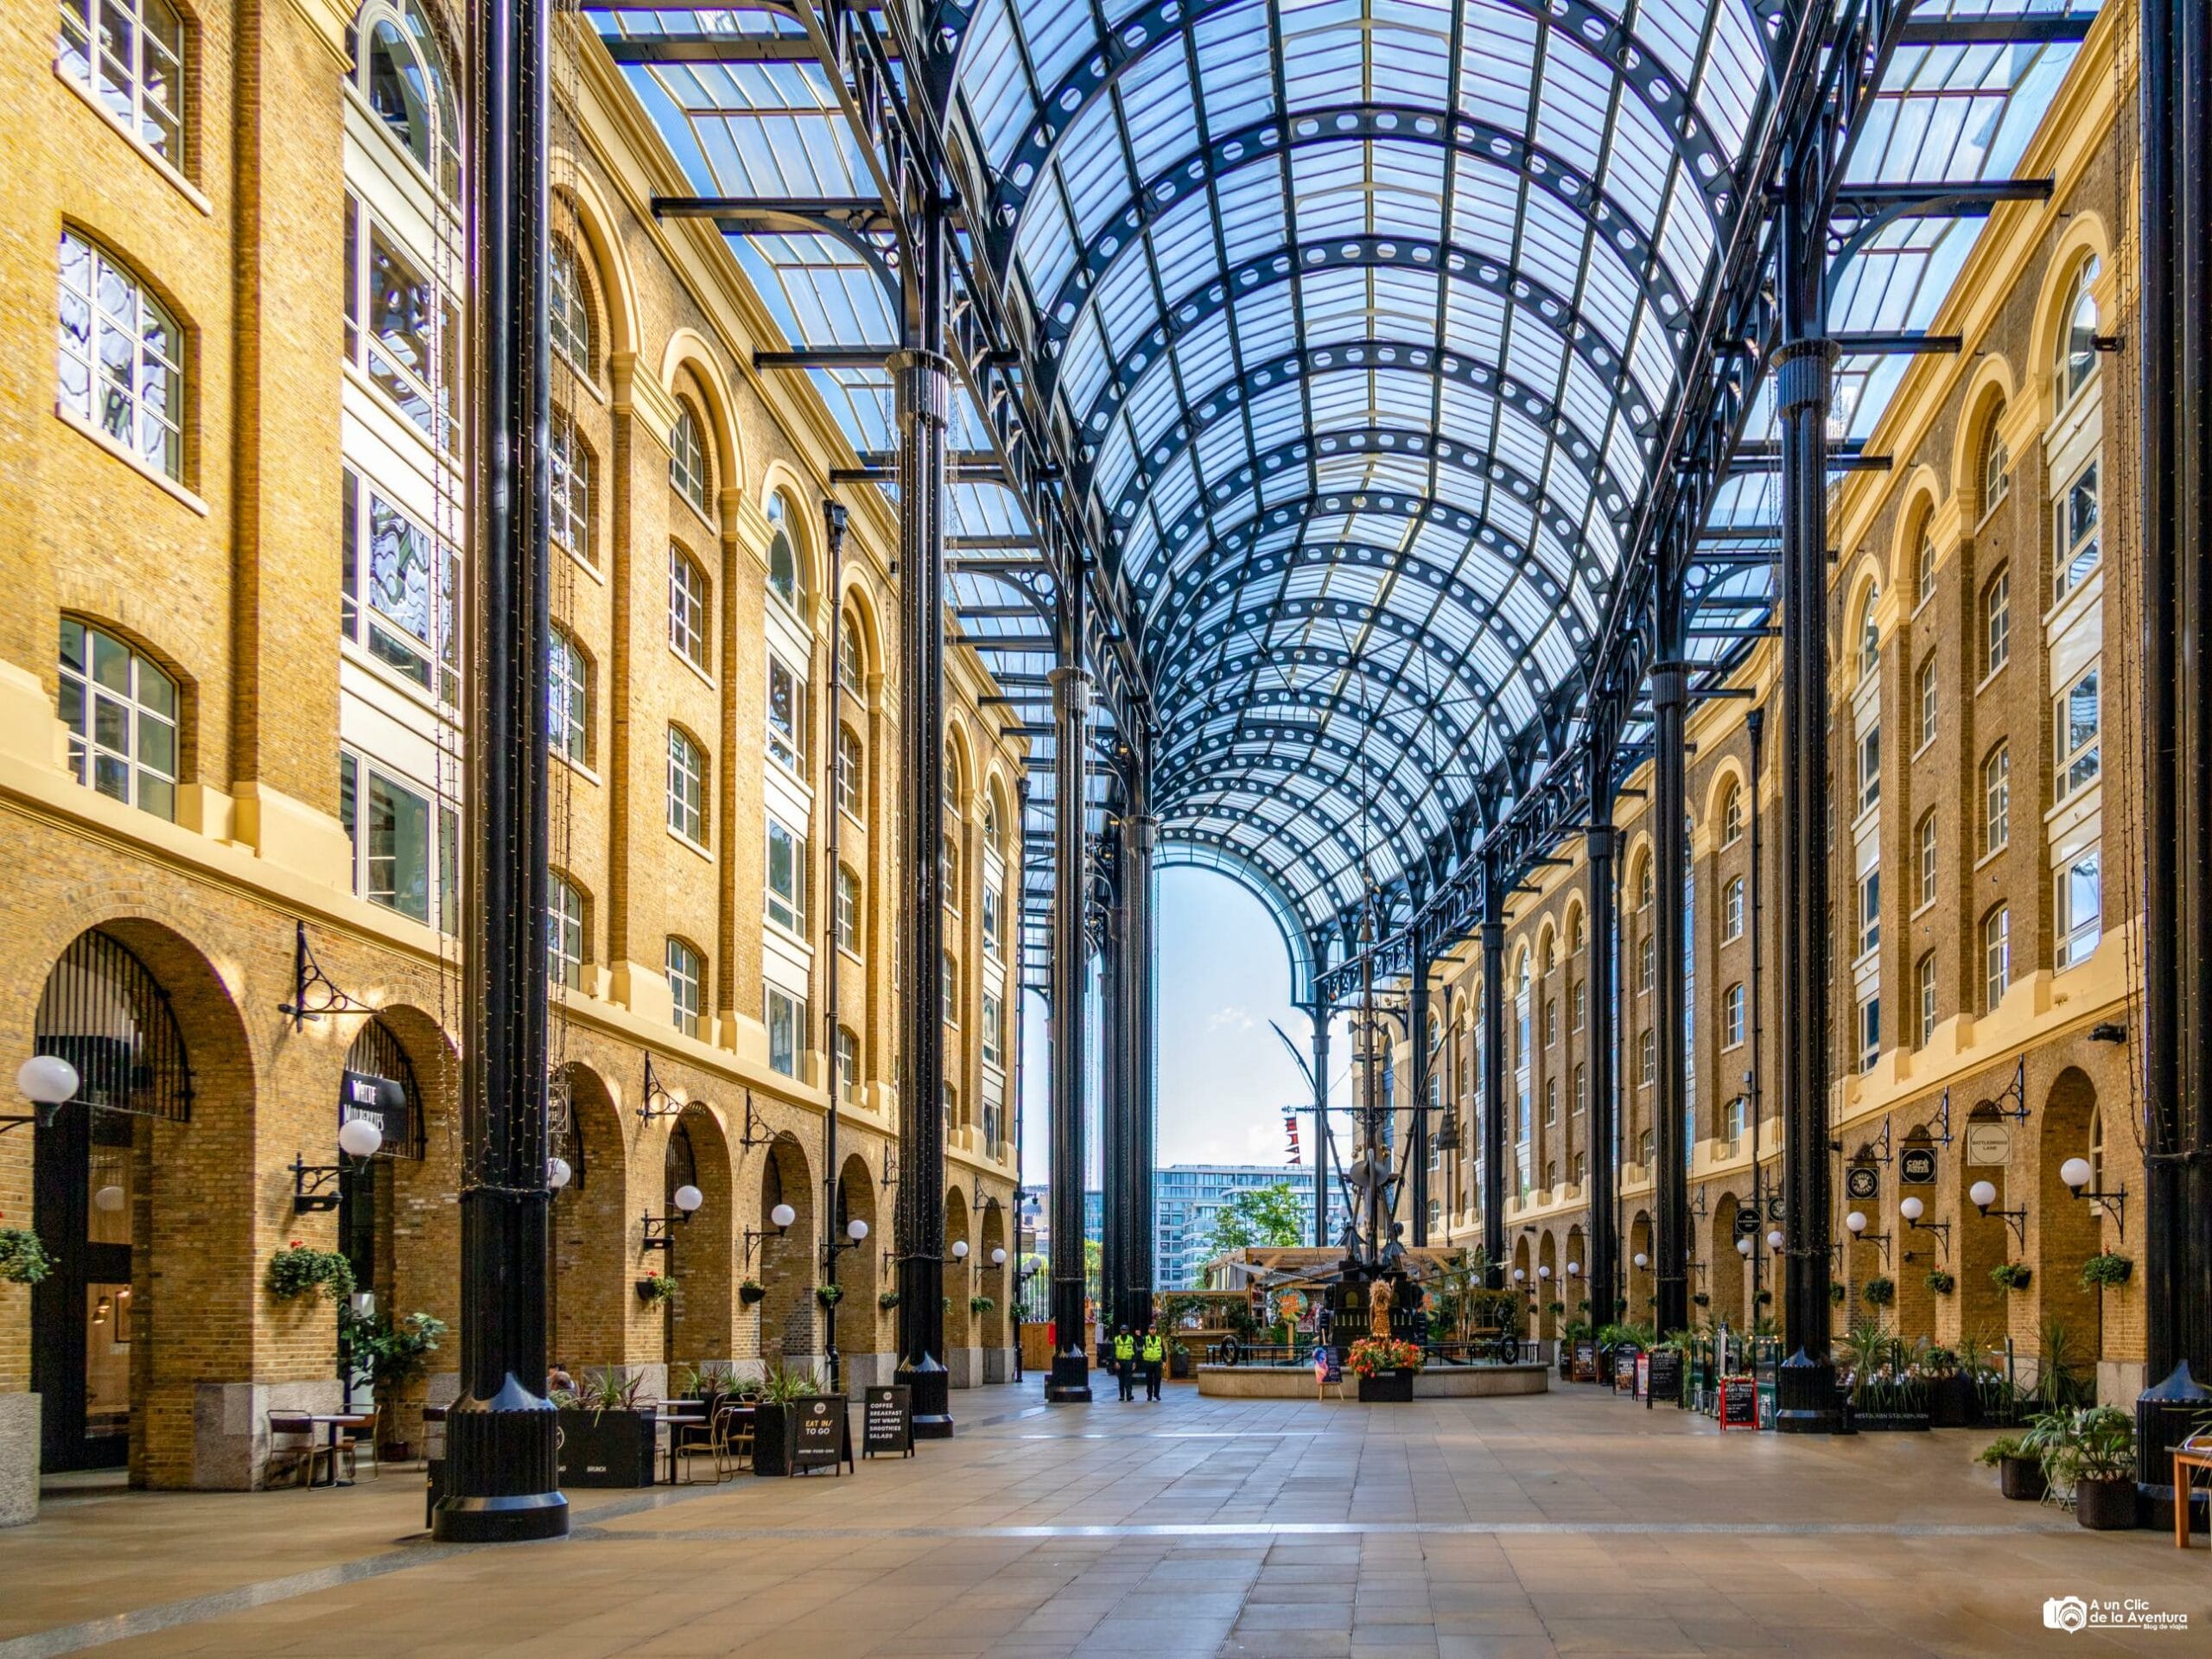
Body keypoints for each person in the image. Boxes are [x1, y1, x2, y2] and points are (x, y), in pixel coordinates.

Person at [1112, 1325, 1137, 1401]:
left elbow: (1134, 1351)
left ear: (1127, 1331)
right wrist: (1115, 1362)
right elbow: (1113, 1351)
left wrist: (1134, 1362)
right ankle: (1122, 1395)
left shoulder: (1131, 1339)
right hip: (1119, 1361)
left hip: (1128, 1361)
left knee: (1128, 1379)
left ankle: (1129, 1395)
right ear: (1120, 1331)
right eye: (1122, 1330)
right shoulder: (1116, 1339)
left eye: (1125, 1330)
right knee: (1121, 1380)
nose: (1123, 1331)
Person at [1141, 1325, 1165, 1401]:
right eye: (1151, 1329)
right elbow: (1139, 1343)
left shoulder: (1159, 1339)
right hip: (1148, 1362)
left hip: (1157, 1362)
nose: (1153, 1331)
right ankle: (1149, 1395)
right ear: (1148, 1330)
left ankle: (1157, 1394)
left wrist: (1164, 1361)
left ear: (1156, 1330)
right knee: (1149, 1380)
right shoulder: (1145, 1339)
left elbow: (1163, 1350)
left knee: (1158, 1379)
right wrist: (1138, 1336)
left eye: (1154, 1329)